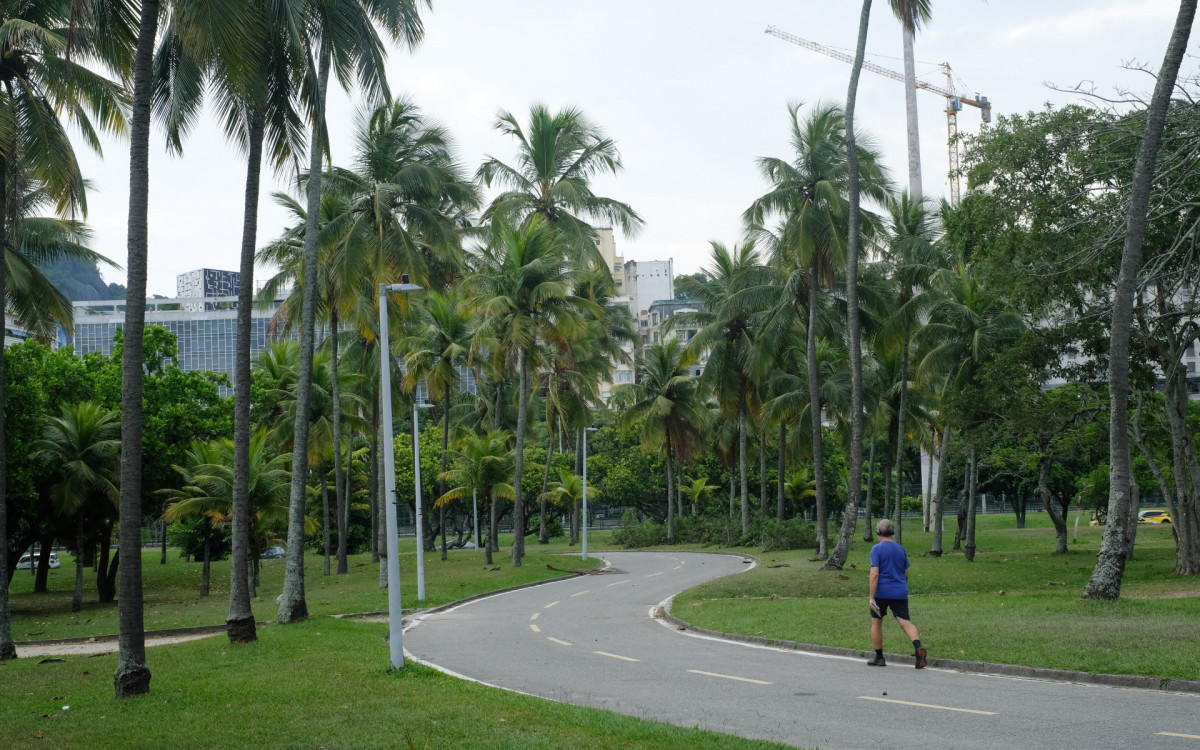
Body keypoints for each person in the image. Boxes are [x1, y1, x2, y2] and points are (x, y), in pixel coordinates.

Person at [867, 518, 927, 668]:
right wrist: (901, 587)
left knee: (876, 621)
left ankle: (879, 658)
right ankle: (918, 648)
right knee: (905, 621)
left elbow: (874, 574)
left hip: (881, 593)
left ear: (878, 532)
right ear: (892, 532)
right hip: (900, 591)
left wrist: (871, 597)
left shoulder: (876, 549)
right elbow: (905, 573)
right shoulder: (900, 549)